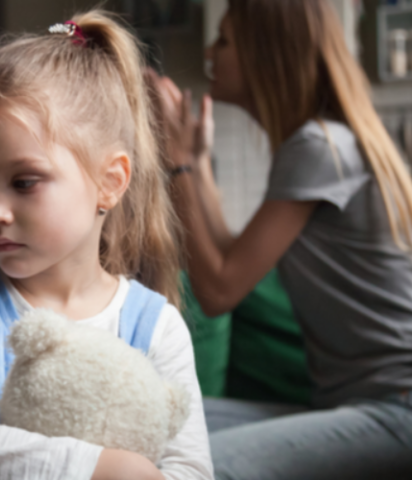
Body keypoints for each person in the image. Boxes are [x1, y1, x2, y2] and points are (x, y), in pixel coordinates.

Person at [0, 10, 213, 480]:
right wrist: (104, 468)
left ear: (109, 182)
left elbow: (192, 470)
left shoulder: (158, 326)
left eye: (24, 181)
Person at [150, 0, 412, 478]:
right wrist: (199, 160)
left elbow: (219, 291)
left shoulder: (317, 146)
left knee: (194, 468)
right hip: (355, 406)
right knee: (152, 425)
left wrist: (177, 163)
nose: (210, 50)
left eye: (225, 40)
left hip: (396, 410)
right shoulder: (320, 142)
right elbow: (232, 253)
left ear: (265, 54)